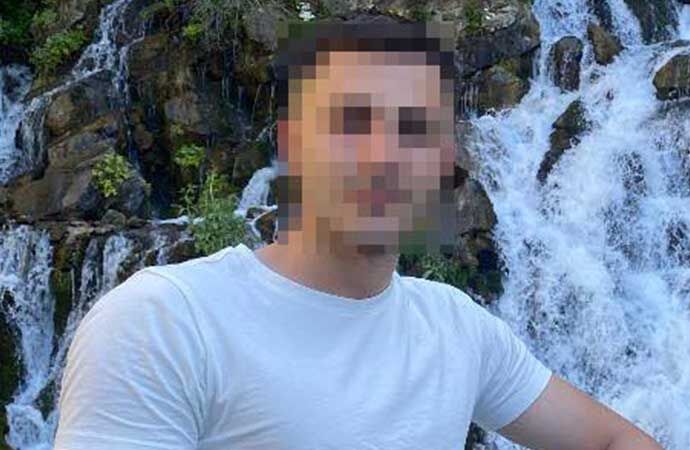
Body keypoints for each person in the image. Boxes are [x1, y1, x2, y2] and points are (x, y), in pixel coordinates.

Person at [53, 20, 663, 450]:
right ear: (291, 144)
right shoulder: (164, 321)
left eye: (413, 129)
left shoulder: (458, 328)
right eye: (351, 122)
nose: (383, 156)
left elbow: (612, 440)